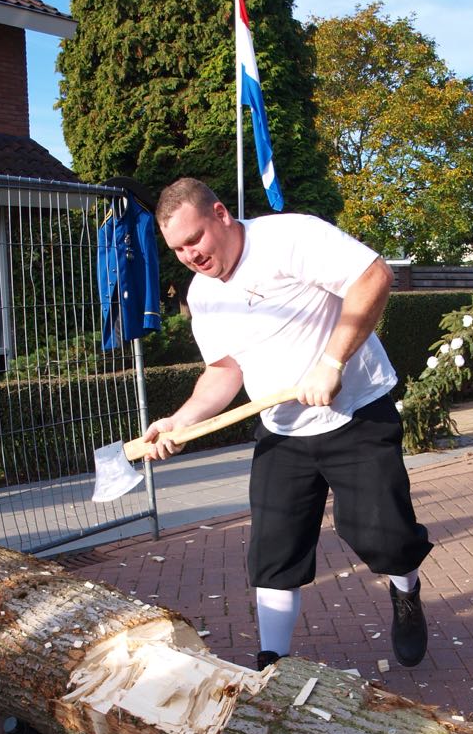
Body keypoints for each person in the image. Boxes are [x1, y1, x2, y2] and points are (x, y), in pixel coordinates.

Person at [146, 178, 432, 670]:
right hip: (281, 431)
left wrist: (333, 362)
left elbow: (373, 277)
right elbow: (224, 371)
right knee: (273, 553)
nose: (190, 255)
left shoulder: (289, 238)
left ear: (221, 214)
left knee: (385, 538)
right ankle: (271, 665)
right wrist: (180, 420)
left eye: (194, 239)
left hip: (355, 413)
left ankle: (406, 592)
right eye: (178, 249)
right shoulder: (204, 295)